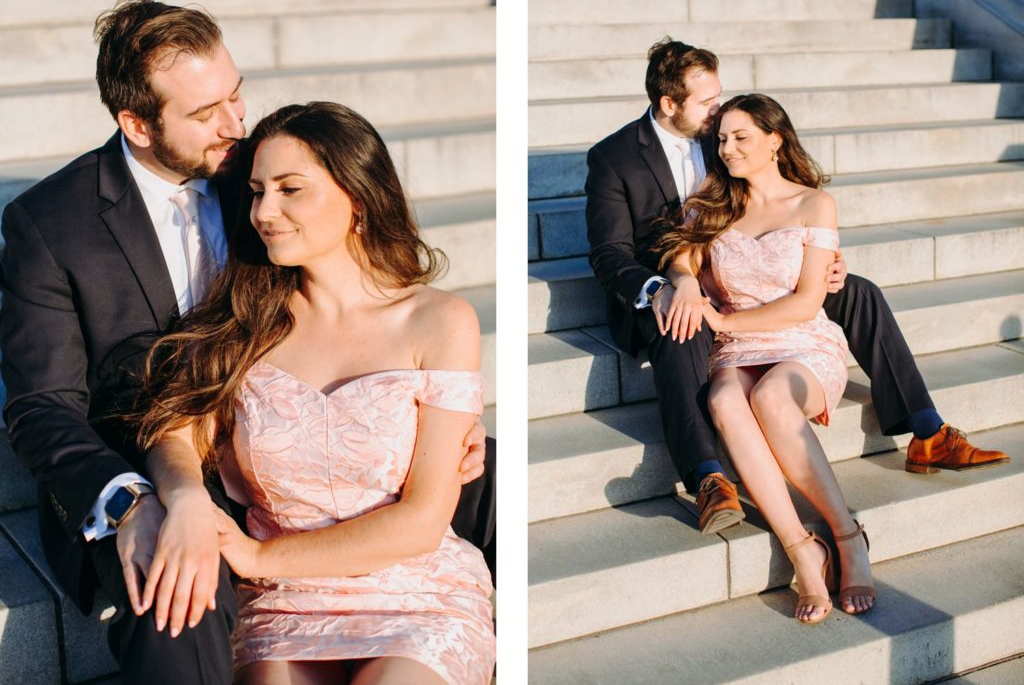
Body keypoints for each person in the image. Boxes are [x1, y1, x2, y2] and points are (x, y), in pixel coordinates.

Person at [0, 0, 489, 684]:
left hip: (284, 460)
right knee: (176, 594)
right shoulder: (50, 224)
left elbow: (369, 295)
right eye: (206, 113)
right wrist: (136, 498)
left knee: (480, 462)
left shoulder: (251, 169)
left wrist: (446, 413)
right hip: (154, 466)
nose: (235, 124)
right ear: (137, 123)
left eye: (236, 95)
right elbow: (40, 406)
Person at [583, 38, 1010, 537]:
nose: (718, 113)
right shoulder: (613, 158)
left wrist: (818, 252)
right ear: (668, 104)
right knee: (684, 323)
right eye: (706, 101)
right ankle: (707, 477)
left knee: (857, 289)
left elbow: (773, 198)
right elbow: (609, 253)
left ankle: (927, 429)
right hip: (670, 283)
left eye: (718, 98)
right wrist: (665, 285)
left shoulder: (721, 133)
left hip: (737, 268)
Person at [134, 101, 496, 684]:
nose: (263, 212)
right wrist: (186, 498)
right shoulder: (245, 323)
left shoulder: (440, 321)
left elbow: (422, 521)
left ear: (357, 197)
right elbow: (173, 436)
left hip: (415, 592)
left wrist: (258, 557)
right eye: (256, 192)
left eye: (289, 189)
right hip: (282, 603)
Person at [655, 93, 874, 623]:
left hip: (801, 341)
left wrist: (725, 319)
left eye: (740, 137)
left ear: (775, 139)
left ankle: (847, 535)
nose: (726, 149)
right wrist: (683, 281)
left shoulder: (813, 204)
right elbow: (680, 258)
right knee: (727, 400)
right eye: (722, 139)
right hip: (738, 350)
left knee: (774, 397)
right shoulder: (712, 201)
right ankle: (802, 547)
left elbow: (807, 300)